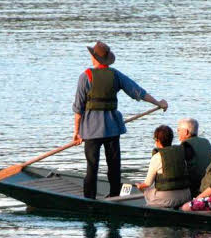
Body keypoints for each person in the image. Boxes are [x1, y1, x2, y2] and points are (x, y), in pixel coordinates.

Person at [72, 41, 168, 199]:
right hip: (112, 128)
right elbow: (137, 91)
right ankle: (114, 195)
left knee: (92, 166)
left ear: (94, 58)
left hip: (91, 130)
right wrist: (157, 102)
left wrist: (76, 132)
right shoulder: (115, 75)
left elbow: (78, 108)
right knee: (114, 165)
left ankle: (89, 198)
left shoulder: (85, 76)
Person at [136, 125, 192, 208]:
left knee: (146, 189)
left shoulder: (157, 157)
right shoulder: (181, 152)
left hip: (167, 200)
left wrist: (139, 186)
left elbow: (147, 183)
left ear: (157, 140)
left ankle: (153, 206)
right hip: (186, 196)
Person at [177, 118, 211, 194]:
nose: (177, 132)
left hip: (196, 187)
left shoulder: (186, 145)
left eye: (179, 130)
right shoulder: (206, 141)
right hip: (210, 183)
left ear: (186, 132)